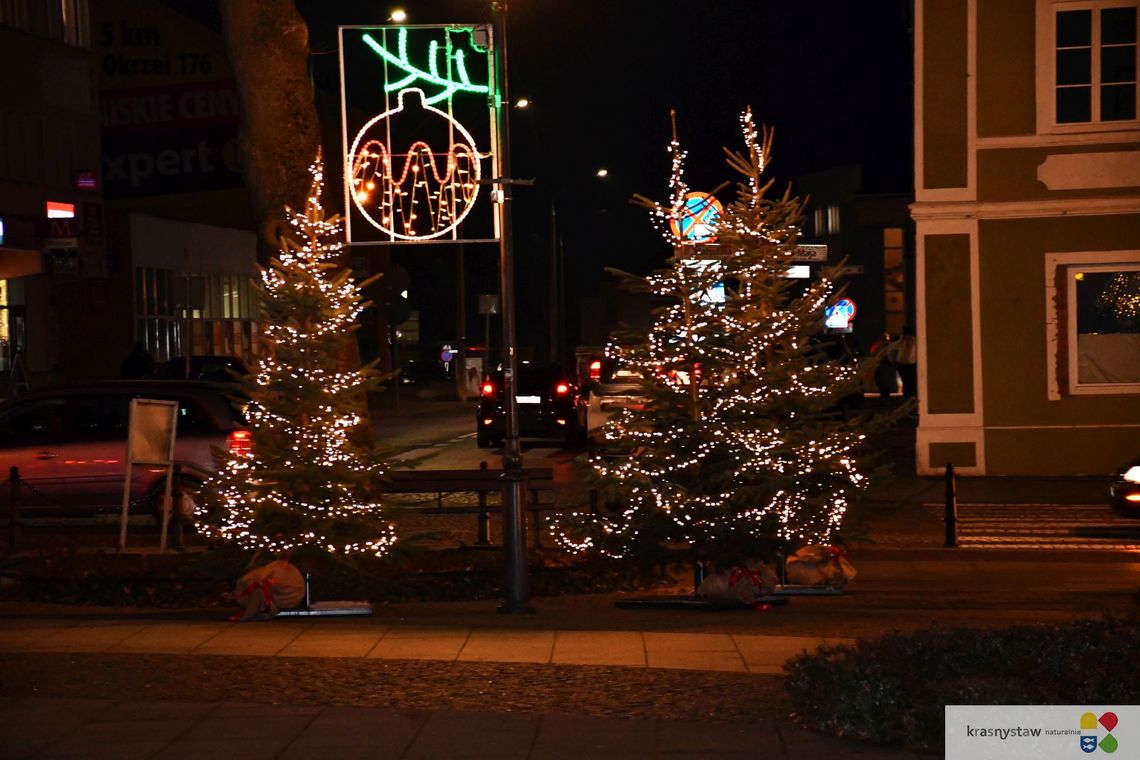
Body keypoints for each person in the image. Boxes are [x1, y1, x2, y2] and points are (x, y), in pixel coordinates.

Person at [889, 326, 918, 399]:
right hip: (903, 365)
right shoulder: (901, 342)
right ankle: (908, 396)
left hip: (911, 364)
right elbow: (892, 350)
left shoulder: (913, 341)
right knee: (907, 381)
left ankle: (910, 395)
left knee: (910, 381)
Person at [870, 332, 897, 399]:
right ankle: (884, 396)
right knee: (882, 382)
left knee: (885, 382)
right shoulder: (878, 345)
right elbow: (873, 353)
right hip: (881, 365)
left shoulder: (890, 346)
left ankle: (885, 396)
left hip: (886, 365)